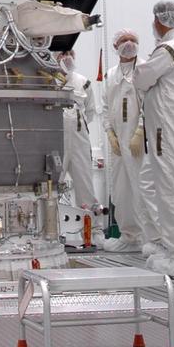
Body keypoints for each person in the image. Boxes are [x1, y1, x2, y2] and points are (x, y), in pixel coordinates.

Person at [132, 1, 174, 276]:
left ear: (160, 21)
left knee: (173, 192)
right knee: (169, 188)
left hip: (168, 131)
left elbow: (141, 78)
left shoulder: (168, 49)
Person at [101, 30, 159, 254]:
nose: (129, 44)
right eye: (124, 40)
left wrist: (140, 131)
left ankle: (151, 238)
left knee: (142, 188)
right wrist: (110, 133)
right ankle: (129, 236)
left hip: (138, 140)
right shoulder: (111, 75)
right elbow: (105, 106)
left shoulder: (144, 70)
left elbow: (149, 104)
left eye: (133, 40)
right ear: (115, 46)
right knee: (121, 190)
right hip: (118, 141)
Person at [57, 50, 102, 216]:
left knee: (85, 183)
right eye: (63, 54)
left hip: (79, 140)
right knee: (51, 185)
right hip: (55, 141)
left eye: (70, 54)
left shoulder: (83, 82)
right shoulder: (47, 81)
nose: (67, 57)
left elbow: (90, 112)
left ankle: (92, 227)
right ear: (55, 57)